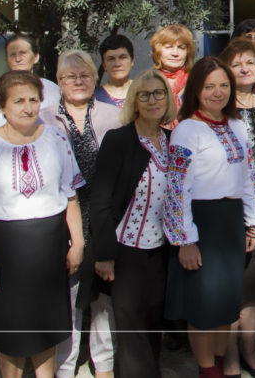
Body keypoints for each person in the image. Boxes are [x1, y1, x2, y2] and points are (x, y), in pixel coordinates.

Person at [0, 71, 85, 378]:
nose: (28, 108)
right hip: (5, 250)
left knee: (46, 330)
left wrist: (78, 243)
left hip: (49, 247)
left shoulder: (56, 138)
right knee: (10, 335)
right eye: (18, 101)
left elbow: (70, 197)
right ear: (2, 106)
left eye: (33, 100)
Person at [163, 57, 255, 378]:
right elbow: (177, 187)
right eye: (209, 87)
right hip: (200, 224)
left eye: (223, 85)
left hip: (230, 224)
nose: (218, 92)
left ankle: (219, 365)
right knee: (203, 307)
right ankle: (208, 371)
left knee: (224, 305)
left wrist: (251, 224)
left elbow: (249, 177)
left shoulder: (237, 125)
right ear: (196, 90)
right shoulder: (186, 130)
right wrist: (185, 240)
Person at [40, 50, 121, 378]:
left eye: (85, 75)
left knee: (104, 295)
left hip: (104, 216)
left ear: (95, 78)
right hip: (62, 218)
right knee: (69, 294)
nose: (78, 81)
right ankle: (64, 366)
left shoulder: (114, 115)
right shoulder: (43, 119)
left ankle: (104, 364)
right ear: (59, 82)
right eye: (70, 76)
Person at [91, 69, 175, 378]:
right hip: (125, 250)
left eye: (159, 93)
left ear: (167, 99)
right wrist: (104, 254)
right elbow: (101, 200)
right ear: (134, 102)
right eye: (145, 95)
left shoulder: (171, 140)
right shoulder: (119, 140)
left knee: (153, 323)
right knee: (131, 329)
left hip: (160, 251)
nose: (153, 100)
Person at [219, 37, 255, 378]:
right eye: (237, 63)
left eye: (251, 63)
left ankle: (250, 351)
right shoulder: (217, 108)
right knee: (229, 287)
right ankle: (228, 357)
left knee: (253, 288)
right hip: (225, 211)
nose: (244, 68)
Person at [0, 33, 60, 131]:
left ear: (36, 57)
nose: (18, 59)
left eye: (23, 53)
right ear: (7, 59)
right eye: (12, 55)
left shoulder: (52, 90)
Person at [150, 23, 195, 112]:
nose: (175, 53)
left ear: (188, 52)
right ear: (158, 51)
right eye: (169, 47)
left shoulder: (196, 81)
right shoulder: (148, 82)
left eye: (181, 48)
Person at [94, 34, 135, 109]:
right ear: (104, 65)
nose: (117, 64)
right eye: (111, 59)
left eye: (122, 57)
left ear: (132, 61)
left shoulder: (144, 90)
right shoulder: (95, 98)